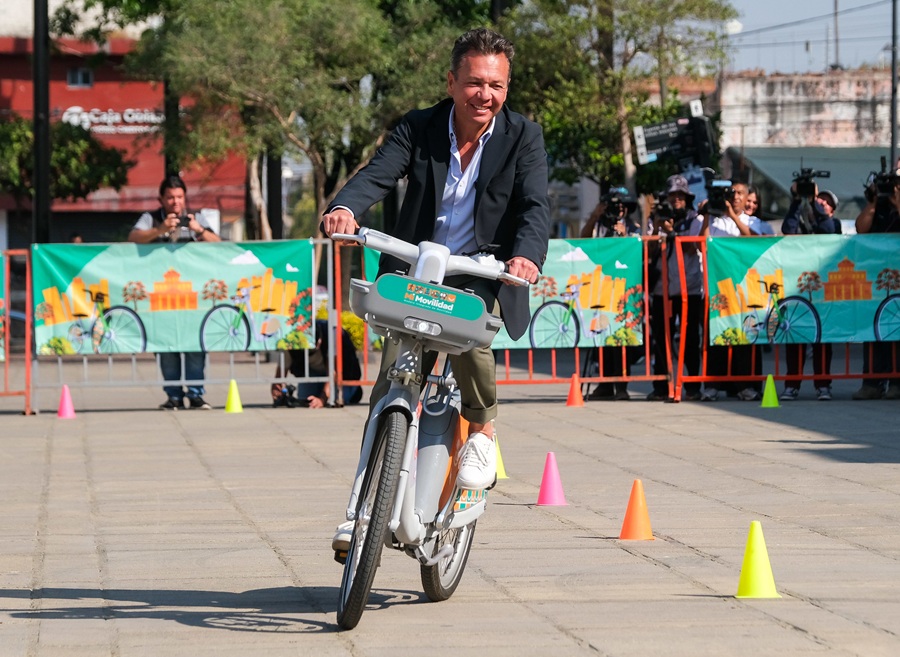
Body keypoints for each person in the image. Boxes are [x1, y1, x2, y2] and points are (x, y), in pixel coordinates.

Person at [322, 28, 550, 550]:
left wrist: (526, 256)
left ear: (506, 88)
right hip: (416, 265)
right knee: (391, 386)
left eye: (495, 85)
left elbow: (536, 207)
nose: (484, 96)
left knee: (474, 338)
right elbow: (377, 175)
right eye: (473, 83)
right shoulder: (418, 128)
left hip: (481, 268)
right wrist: (344, 208)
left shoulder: (524, 137)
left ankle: (483, 431)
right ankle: (361, 509)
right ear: (451, 82)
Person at [128, 175, 221, 410]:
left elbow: (218, 244)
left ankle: (196, 394)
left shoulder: (196, 218)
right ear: (161, 199)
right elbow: (133, 237)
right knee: (165, 346)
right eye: (170, 197)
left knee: (194, 345)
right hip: (161, 297)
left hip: (193, 295)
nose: (175, 202)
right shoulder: (150, 218)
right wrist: (158, 230)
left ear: (185, 197)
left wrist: (198, 229)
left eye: (179, 197)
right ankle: (174, 395)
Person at [699, 179, 762, 401]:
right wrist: (707, 214)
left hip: (744, 290)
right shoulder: (716, 222)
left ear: (747, 198)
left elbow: (751, 241)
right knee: (716, 338)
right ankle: (713, 385)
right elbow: (702, 243)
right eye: (732, 192)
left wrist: (733, 216)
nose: (735, 196)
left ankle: (743, 386)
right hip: (718, 290)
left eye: (740, 193)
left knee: (744, 338)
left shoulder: (753, 221)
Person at [780, 185, 842, 401]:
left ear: (832, 209)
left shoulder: (833, 222)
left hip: (823, 290)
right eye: (818, 199)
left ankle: (823, 385)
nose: (821, 203)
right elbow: (788, 229)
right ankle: (792, 385)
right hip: (798, 287)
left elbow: (828, 231)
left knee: (822, 339)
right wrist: (797, 201)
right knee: (795, 334)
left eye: (826, 202)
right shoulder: (802, 223)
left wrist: (816, 204)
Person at [646, 174, 704, 402]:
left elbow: (692, 249)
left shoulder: (694, 219)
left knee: (690, 338)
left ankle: (692, 385)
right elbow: (649, 252)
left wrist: (672, 233)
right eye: (672, 195)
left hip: (689, 288)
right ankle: (661, 386)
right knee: (660, 337)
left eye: (680, 195)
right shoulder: (656, 220)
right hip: (662, 288)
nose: (676, 199)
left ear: (686, 197)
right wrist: (657, 229)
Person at [580, 187, 640, 401]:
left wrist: (624, 236)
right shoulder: (598, 225)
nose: (618, 210)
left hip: (624, 290)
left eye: (622, 206)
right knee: (602, 335)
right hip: (601, 288)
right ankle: (604, 385)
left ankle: (621, 385)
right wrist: (595, 215)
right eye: (614, 205)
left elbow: (638, 253)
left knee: (621, 339)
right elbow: (583, 240)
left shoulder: (633, 227)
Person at [853, 173, 900, 400]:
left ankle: (897, 383)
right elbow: (861, 229)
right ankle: (871, 382)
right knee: (873, 329)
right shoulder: (877, 206)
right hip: (876, 280)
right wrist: (873, 202)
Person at [271, 320, 363, 408]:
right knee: (305, 398)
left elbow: (333, 372)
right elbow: (280, 372)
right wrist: (276, 389)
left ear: (319, 341)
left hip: (343, 374)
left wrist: (322, 399)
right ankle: (321, 390)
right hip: (313, 371)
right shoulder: (291, 341)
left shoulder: (331, 334)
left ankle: (354, 390)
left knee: (335, 399)